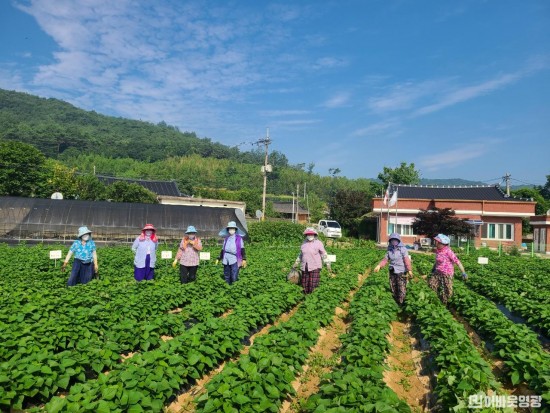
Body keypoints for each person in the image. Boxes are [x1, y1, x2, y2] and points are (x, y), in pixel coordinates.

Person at [374, 232, 413, 305]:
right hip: (392, 271)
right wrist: (379, 266)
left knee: (401, 287)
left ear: (399, 240)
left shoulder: (403, 249)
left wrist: (409, 270)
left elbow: (407, 260)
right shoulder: (390, 249)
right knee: (393, 286)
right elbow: (385, 259)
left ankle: (401, 303)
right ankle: (395, 302)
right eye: (392, 240)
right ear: (390, 241)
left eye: (395, 240)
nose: (394, 241)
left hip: (401, 271)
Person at [428, 233, 468, 305]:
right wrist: (433, 268)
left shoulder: (448, 251)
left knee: (446, 291)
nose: (435, 242)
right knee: (431, 284)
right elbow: (437, 261)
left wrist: (463, 273)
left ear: (441, 243)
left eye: (436, 241)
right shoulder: (438, 250)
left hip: (446, 273)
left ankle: (444, 305)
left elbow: (457, 262)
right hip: (437, 272)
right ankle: (434, 302)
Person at [292, 227, 331, 294]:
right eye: (308, 234)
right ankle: (305, 296)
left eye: (311, 234)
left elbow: (323, 253)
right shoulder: (304, 243)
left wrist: (328, 264)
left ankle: (312, 296)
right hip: (305, 266)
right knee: (304, 283)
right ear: (306, 235)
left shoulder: (318, 243)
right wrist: (296, 263)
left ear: (314, 235)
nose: (310, 236)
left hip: (315, 266)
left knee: (313, 283)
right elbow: (301, 254)